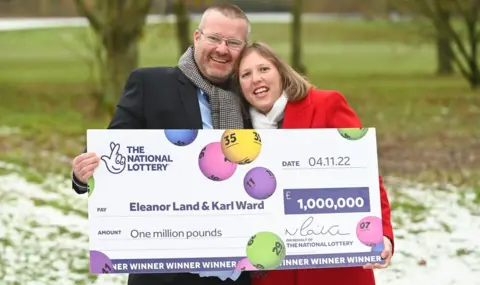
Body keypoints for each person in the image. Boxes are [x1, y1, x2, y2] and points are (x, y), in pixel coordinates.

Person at [71, 4, 253, 285]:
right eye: (214, 38)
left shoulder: (253, 95)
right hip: (166, 269)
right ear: (196, 38)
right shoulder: (151, 85)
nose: (222, 49)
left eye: (233, 43)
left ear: (245, 48)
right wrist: (84, 172)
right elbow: (113, 148)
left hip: (234, 270)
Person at [235, 42, 395, 285]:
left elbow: (365, 174)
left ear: (280, 71)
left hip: (335, 269)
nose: (256, 79)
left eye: (264, 69)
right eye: (246, 74)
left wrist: (383, 232)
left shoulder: (327, 105)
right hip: (274, 273)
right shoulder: (236, 134)